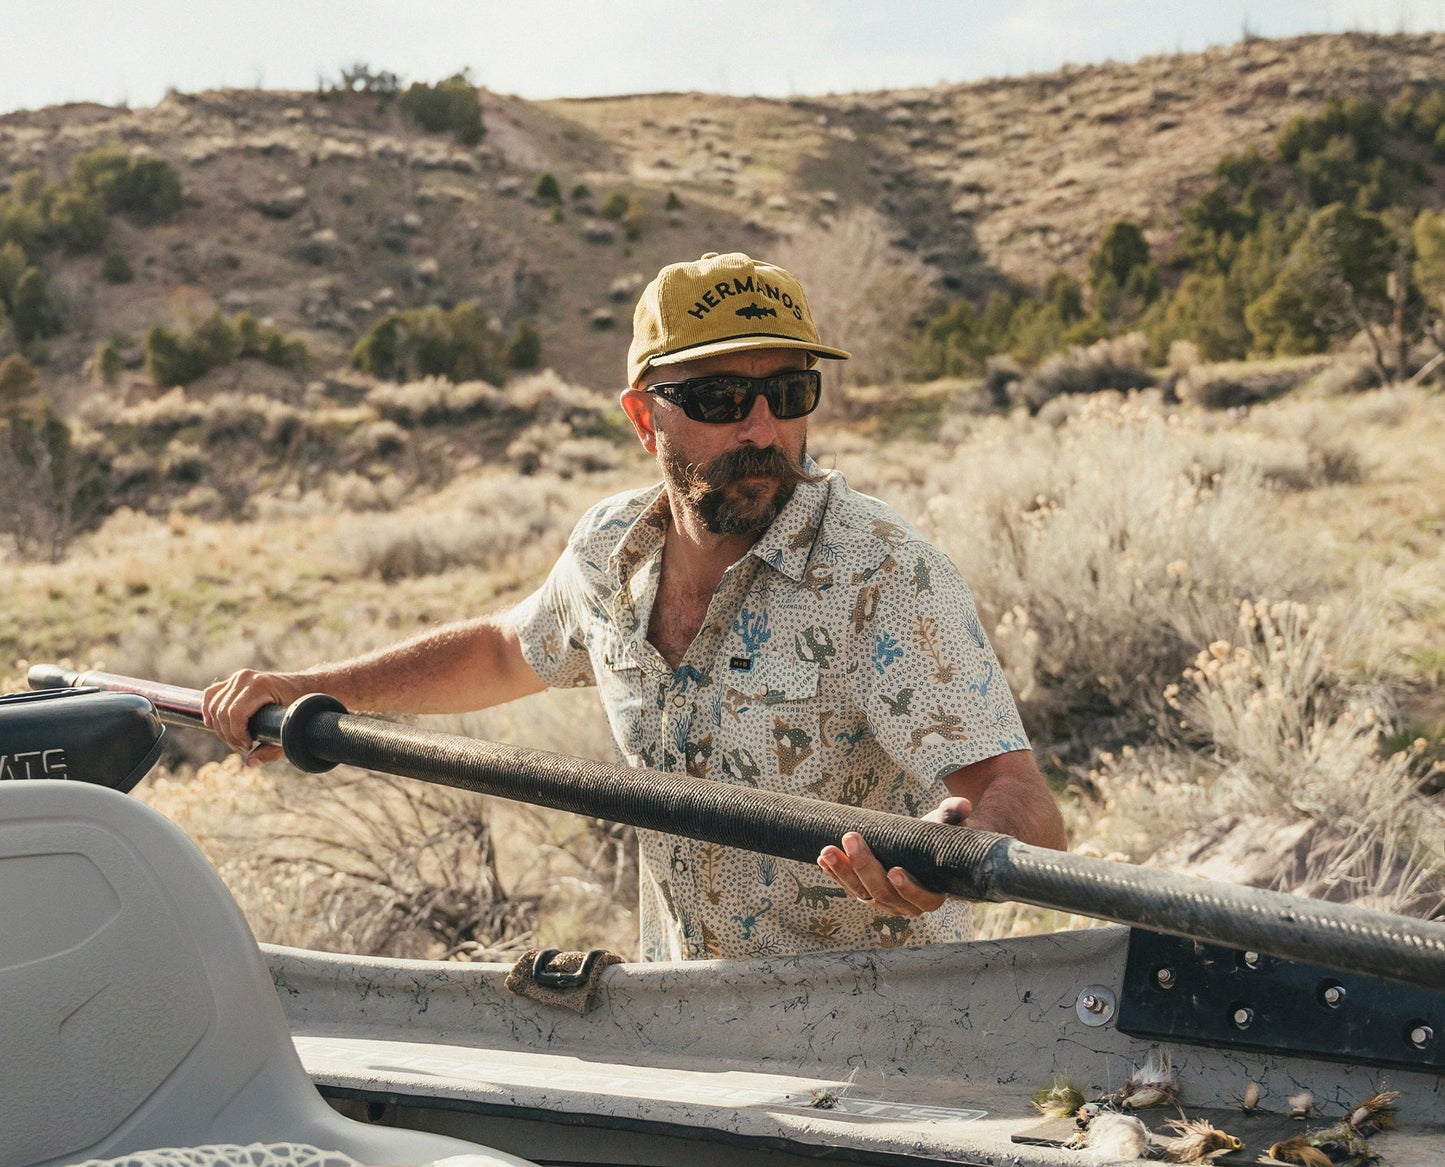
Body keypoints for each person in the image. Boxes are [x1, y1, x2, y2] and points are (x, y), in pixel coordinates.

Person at [205, 251, 1066, 961]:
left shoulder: (882, 575)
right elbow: (506, 650)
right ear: (643, 419)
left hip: (880, 1037)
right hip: (684, 1019)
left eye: (790, 394)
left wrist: (959, 847)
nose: (762, 431)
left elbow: (1020, 799)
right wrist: (314, 686)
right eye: (720, 400)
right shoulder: (609, 550)